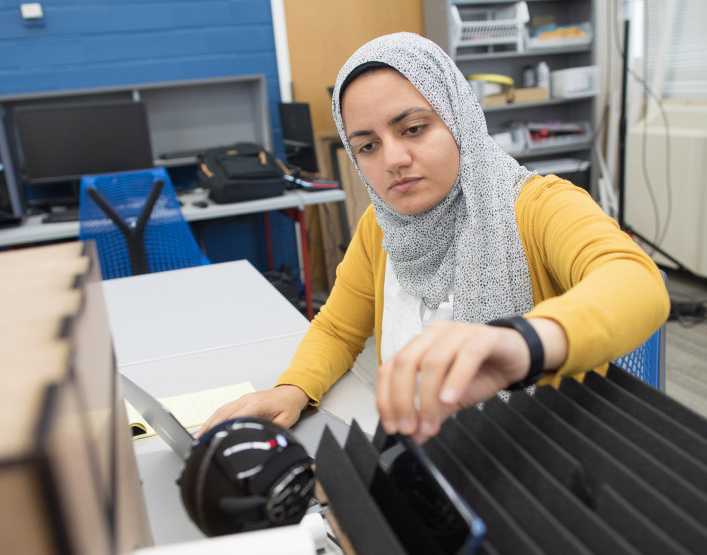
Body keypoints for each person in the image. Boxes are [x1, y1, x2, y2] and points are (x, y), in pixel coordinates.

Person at [202, 32, 669, 444]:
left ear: (458, 118)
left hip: (545, 456)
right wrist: (293, 388)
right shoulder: (379, 227)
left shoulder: (536, 206)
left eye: (413, 128)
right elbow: (339, 329)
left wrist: (524, 342)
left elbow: (636, 282)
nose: (394, 158)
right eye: (367, 145)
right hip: (430, 455)